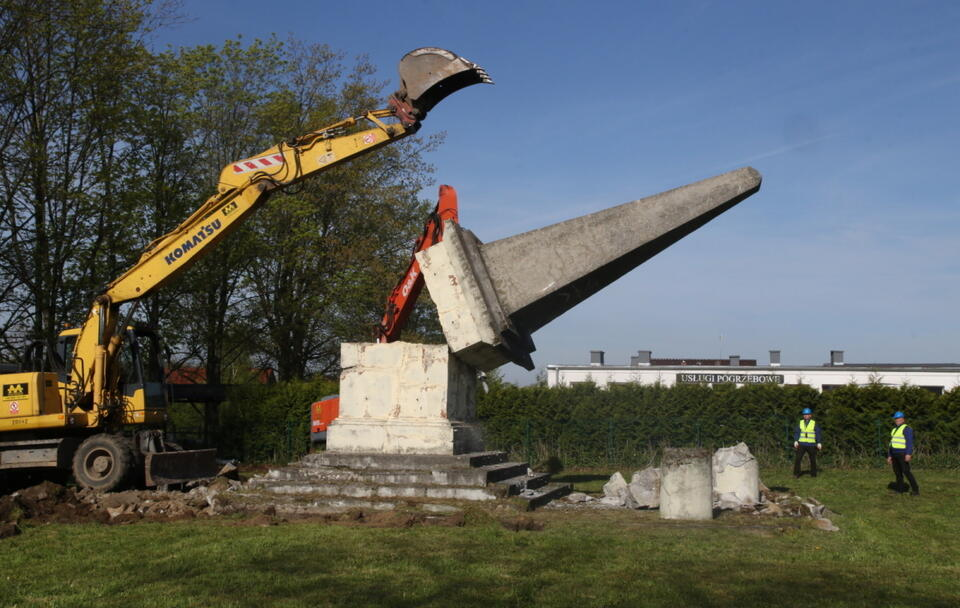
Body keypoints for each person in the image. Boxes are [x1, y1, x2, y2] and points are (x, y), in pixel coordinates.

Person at [888, 411, 919, 495]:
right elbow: (891, 443)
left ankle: (915, 490)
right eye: (896, 418)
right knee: (897, 473)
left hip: (902, 454)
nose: (897, 420)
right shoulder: (894, 430)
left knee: (906, 472)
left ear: (903, 419)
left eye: (898, 418)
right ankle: (900, 490)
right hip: (894, 454)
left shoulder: (907, 429)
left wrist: (908, 454)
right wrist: (889, 455)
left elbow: (909, 442)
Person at [793, 407, 821, 478]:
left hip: (811, 444)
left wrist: (818, 442)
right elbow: (797, 432)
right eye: (804, 414)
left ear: (810, 415)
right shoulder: (800, 422)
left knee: (813, 460)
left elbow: (817, 433)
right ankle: (796, 474)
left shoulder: (814, 423)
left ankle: (813, 474)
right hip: (801, 444)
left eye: (808, 414)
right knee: (798, 459)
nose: (806, 416)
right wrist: (796, 440)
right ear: (803, 415)